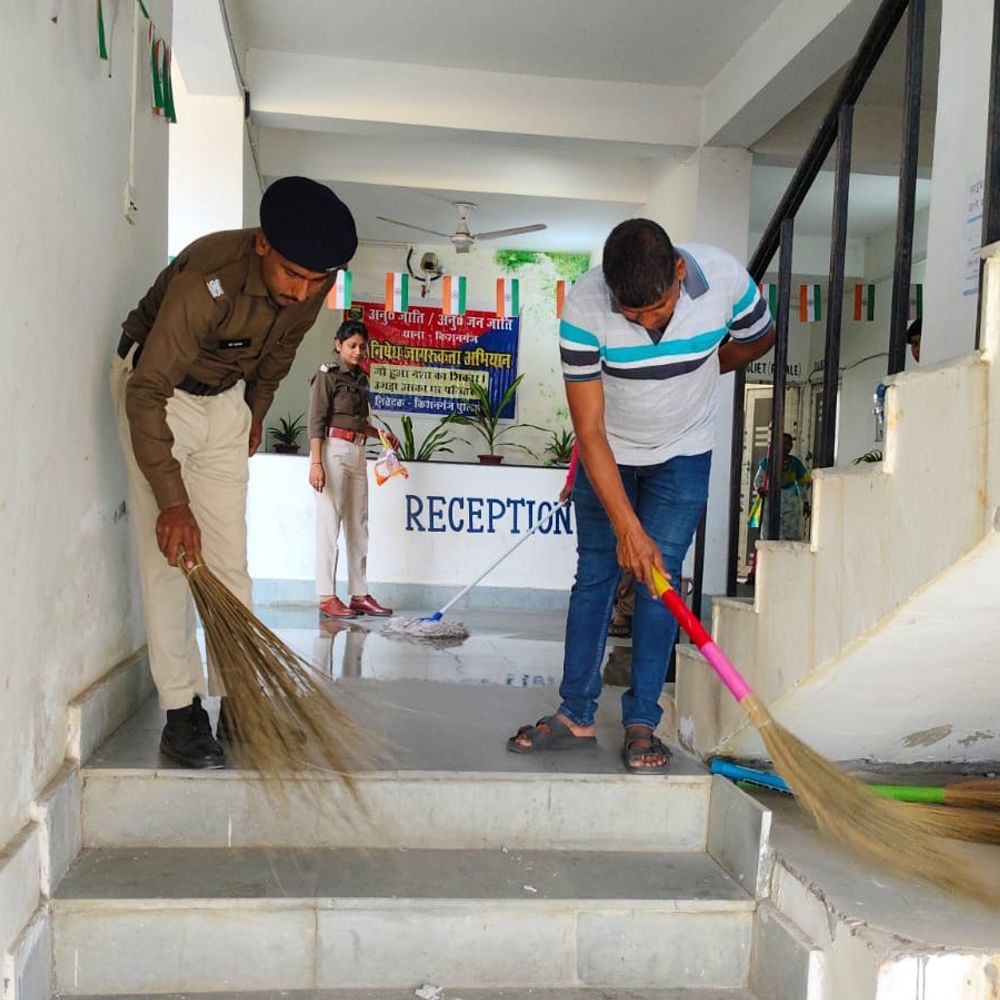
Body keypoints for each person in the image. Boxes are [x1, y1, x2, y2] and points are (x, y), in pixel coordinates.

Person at [508, 219, 775, 773]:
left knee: (660, 581)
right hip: (610, 450)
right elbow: (590, 432)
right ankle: (576, 714)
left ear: (680, 271)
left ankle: (641, 722)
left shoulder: (723, 277)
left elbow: (759, 336)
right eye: (633, 316)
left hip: (684, 453)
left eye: (658, 310)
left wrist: (705, 368)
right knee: (597, 574)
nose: (648, 324)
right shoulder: (584, 307)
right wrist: (628, 526)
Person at [112, 176, 358, 769]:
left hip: (226, 400)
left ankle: (241, 703)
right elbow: (146, 391)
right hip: (157, 393)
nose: (303, 293)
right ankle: (181, 714)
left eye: (317, 282)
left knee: (229, 562)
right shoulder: (207, 280)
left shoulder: (308, 289)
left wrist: (254, 413)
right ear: (263, 247)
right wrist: (173, 502)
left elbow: (276, 358)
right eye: (293, 276)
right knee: (170, 559)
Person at [307, 320, 395, 620]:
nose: (358, 351)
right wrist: (316, 463)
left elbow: (357, 421)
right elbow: (317, 421)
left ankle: (359, 594)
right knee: (329, 523)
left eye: (361, 346)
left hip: (358, 452)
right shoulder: (327, 376)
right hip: (333, 451)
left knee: (359, 524)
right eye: (352, 346)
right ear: (338, 345)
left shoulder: (361, 379)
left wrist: (380, 435)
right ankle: (326, 596)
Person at [753, 433, 811, 542]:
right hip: (772, 500)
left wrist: (806, 502)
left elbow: (803, 484)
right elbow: (757, 481)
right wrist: (759, 489)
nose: (786, 446)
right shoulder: (768, 462)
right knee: (769, 534)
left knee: (791, 537)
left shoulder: (795, 463)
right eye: (783, 443)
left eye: (788, 443)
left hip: (791, 503)